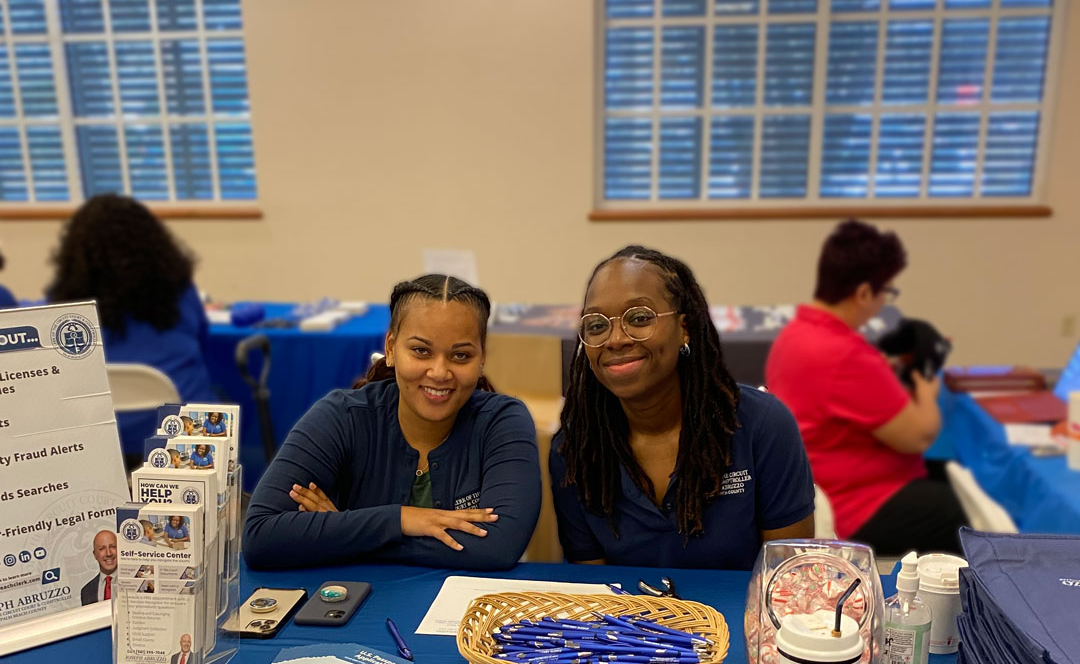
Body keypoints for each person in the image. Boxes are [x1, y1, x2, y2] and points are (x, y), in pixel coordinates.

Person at [244, 275, 542, 570]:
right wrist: (400, 519)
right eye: (421, 351)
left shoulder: (503, 422)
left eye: (460, 355)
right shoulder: (341, 416)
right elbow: (261, 536)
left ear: (481, 359)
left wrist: (341, 533)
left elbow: (497, 548)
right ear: (390, 348)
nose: (439, 372)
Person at [550, 246, 814, 568]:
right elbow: (594, 590)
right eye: (597, 325)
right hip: (629, 619)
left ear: (684, 329)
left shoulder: (763, 426)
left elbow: (788, 577)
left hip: (742, 616)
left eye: (639, 318)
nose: (615, 339)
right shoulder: (576, 450)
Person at [765, 220, 966, 555]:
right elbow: (917, 436)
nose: (884, 301)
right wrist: (928, 393)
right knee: (957, 510)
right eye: (886, 292)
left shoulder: (795, 335)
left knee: (944, 476)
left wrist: (879, 376)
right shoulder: (846, 355)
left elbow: (833, 392)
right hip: (853, 503)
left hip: (817, 479)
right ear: (862, 293)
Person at [46, 194, 213, 463]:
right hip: (185, 439)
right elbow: (203, 347)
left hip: (95, 442)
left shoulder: (64, 308)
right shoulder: (179, 292)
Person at [80, 529, 117, 604]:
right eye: (102, 549)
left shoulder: (133, 582)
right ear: (95, 555)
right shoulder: (86, 591)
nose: (108, 553)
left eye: (112, 547)